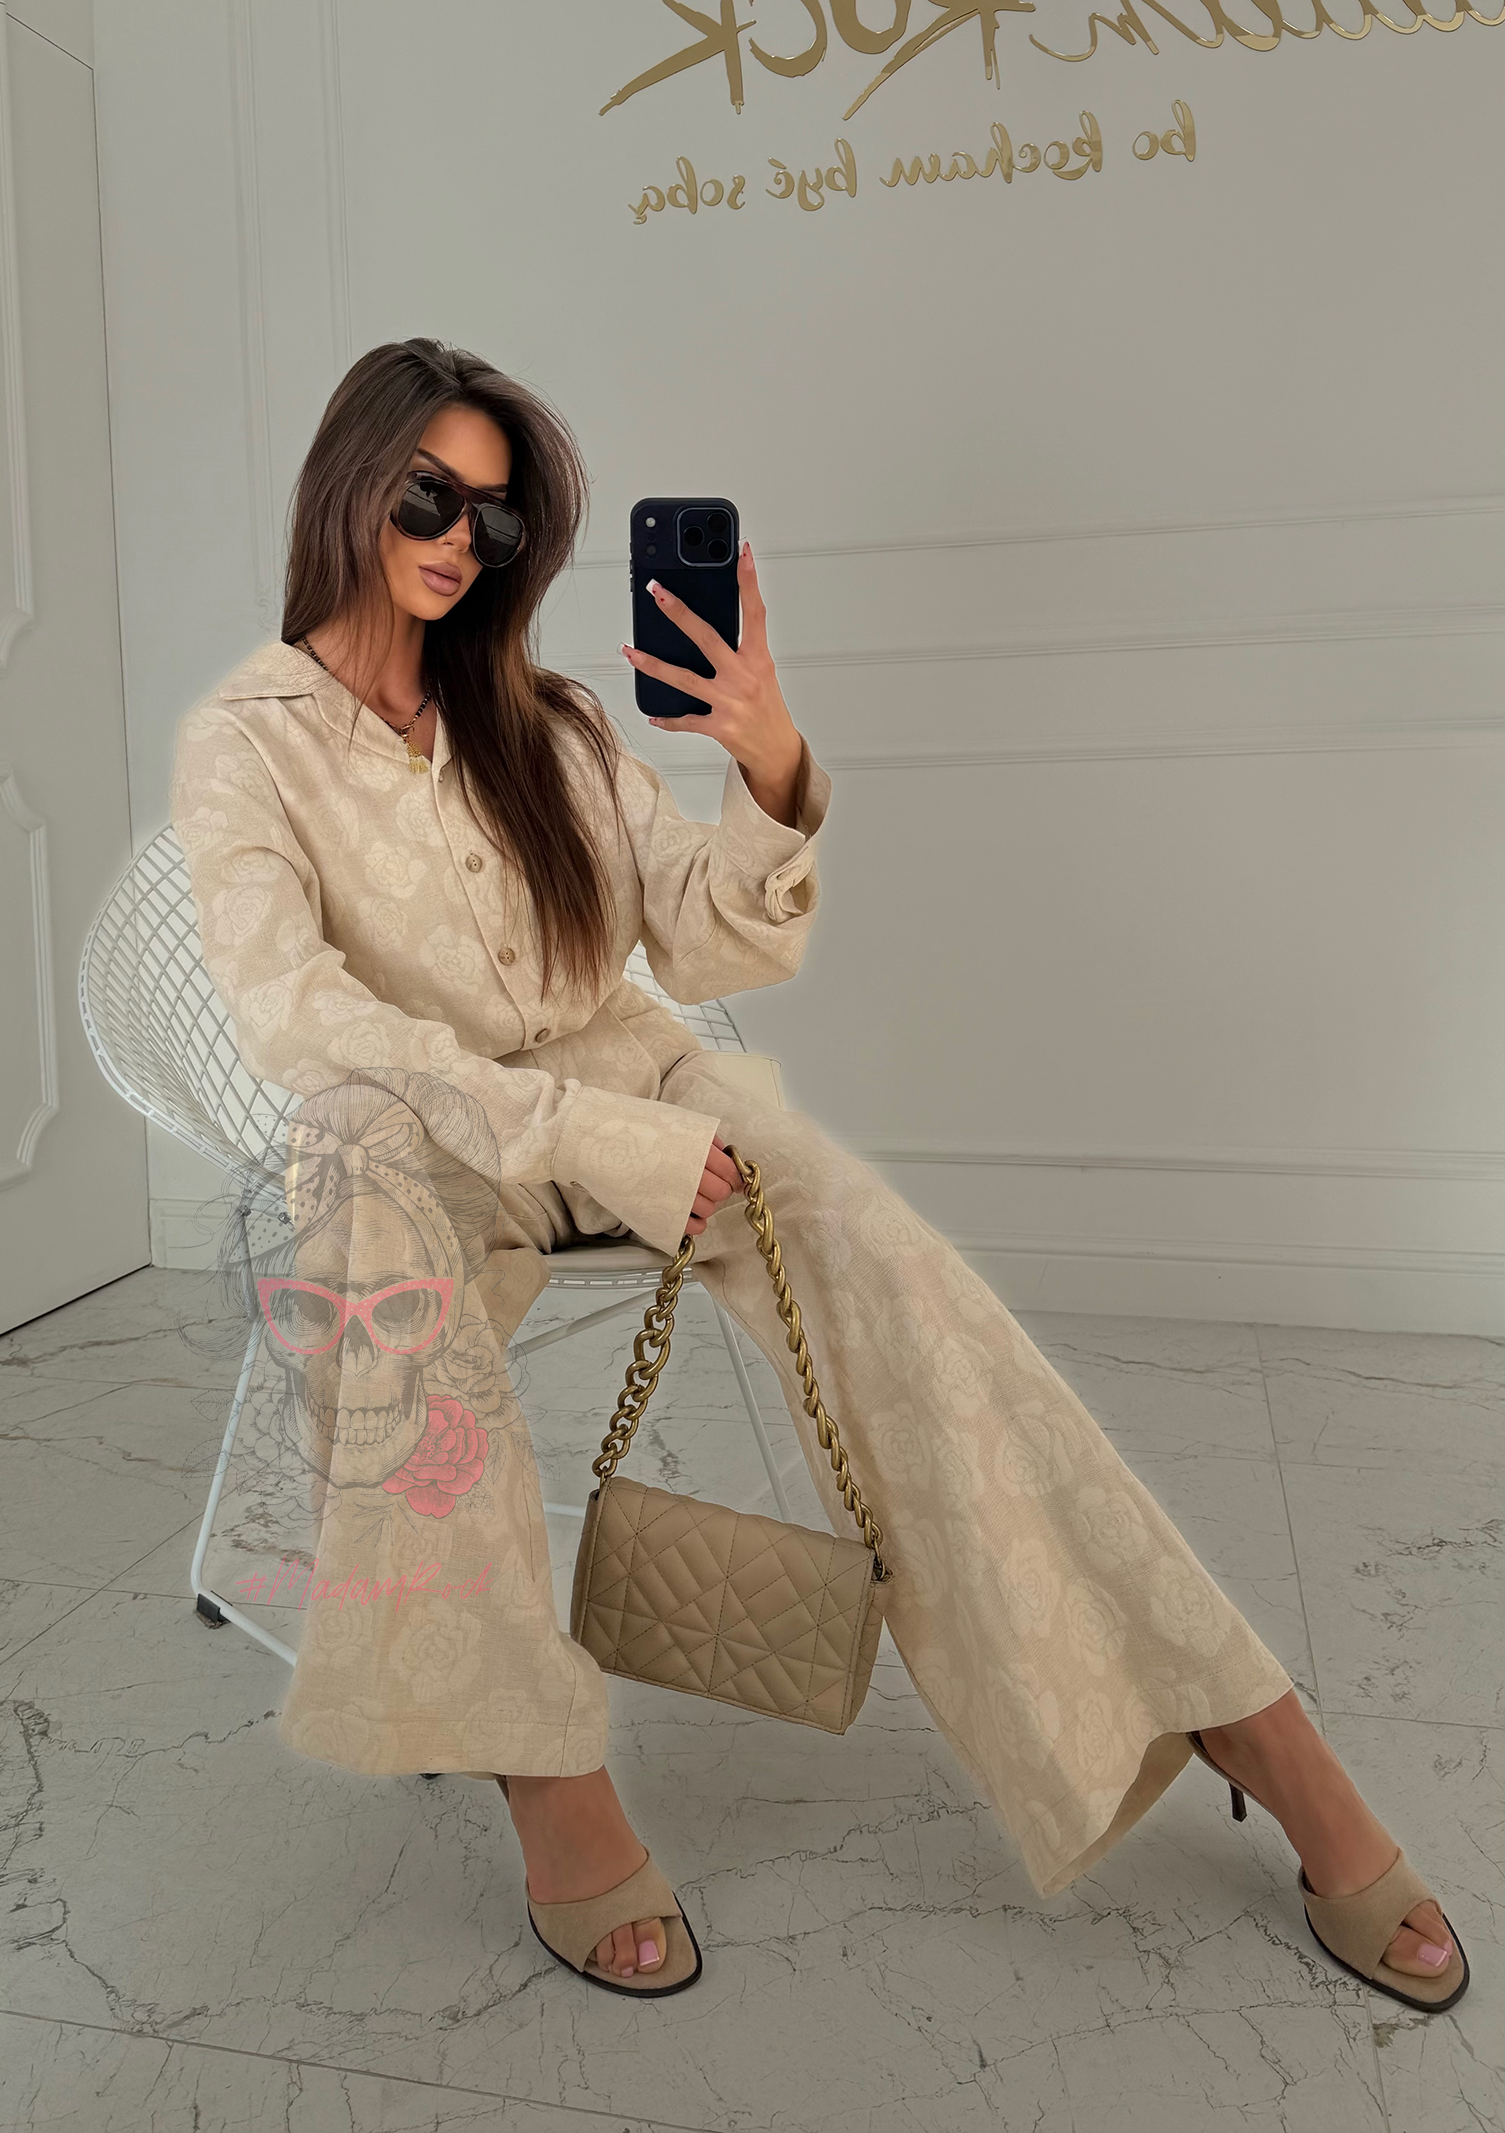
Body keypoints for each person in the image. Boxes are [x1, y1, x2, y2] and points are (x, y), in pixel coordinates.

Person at [170, 335, 1467, 2009]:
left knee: (910, 1289)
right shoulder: (248, 741)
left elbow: (709, 934)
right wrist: (591, 1144)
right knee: (359, 1201)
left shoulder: (543, 719)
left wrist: (765, 755)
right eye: (430, 494)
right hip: (431, 1133)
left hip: (644, 1086)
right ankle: (548, 1775)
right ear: (349, 477)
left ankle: (1243, 1714)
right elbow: (302, 1016)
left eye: (494, 519)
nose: (459, 540)